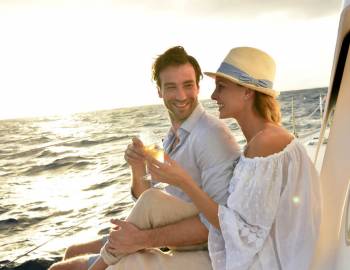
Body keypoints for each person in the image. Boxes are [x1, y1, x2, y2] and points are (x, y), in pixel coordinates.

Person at [49, 46, 240, 270]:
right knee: (71, 254)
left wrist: (141, 240)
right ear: (159, 91)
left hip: (210, 252)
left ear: (198, 86)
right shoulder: (172, 138)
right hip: (175, 239)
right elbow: (147, 203)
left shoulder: (211, 136)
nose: (181, 95)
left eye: (188, 85)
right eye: (171, 87)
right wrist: (137, 167)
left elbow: (220, 225)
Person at [144, 47, 322, 269]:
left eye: (222, 87)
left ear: (247, 92)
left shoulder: (266, 142)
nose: (213, 95)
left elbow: (241, 232)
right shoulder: (264, 139)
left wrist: (183, 181)